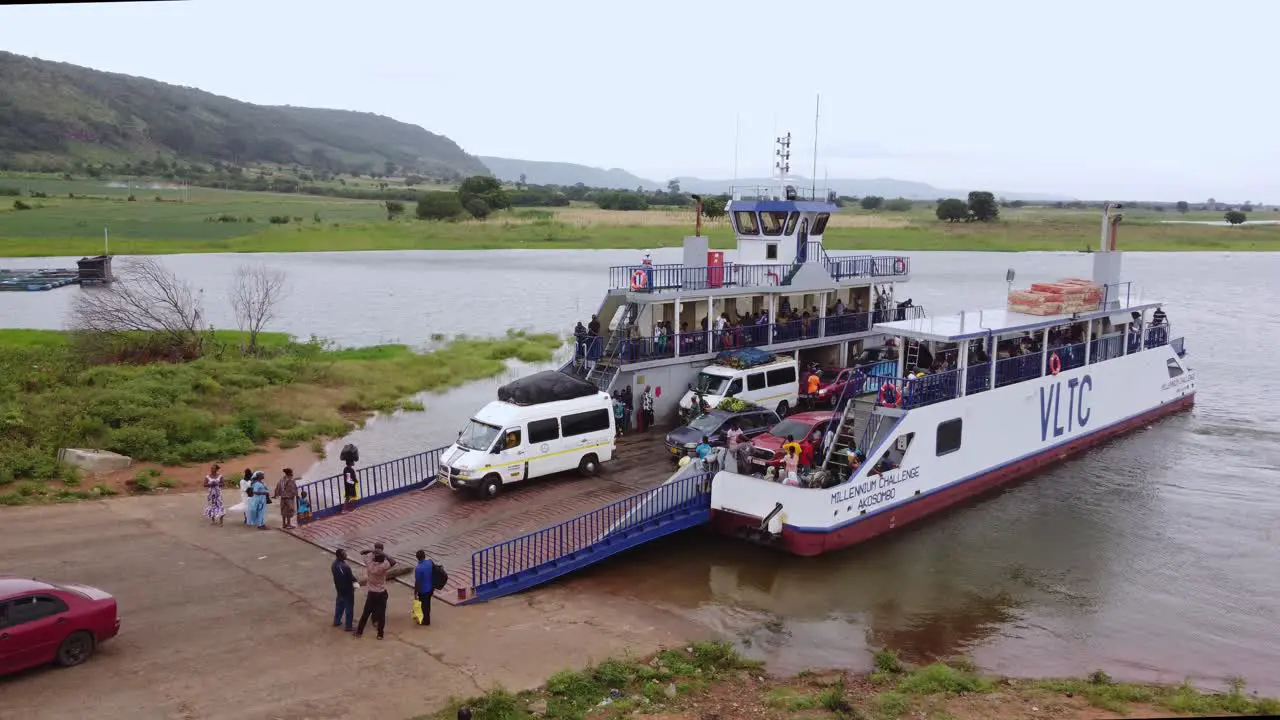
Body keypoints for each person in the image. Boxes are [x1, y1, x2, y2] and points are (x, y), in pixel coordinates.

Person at [355, 546, 396, 639]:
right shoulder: (383, 566)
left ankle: (359, 632)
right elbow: (393, 562)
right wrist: (383, 553)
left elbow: (363, 553)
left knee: (366, 613)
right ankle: (380, 635)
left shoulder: (370, 564)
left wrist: (372, 551)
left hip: (371, 593)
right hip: (381, 593)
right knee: (381, 615)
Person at [332, 549, 356, 632]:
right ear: (340, 556)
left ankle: (336, 621)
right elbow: (351, 578)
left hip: (339, 589)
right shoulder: (346, 567)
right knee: (349, 608)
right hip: (348, 590)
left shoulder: (334, 565)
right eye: (344, 554)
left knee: (339, 605)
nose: (346, 555)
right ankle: (348, 626)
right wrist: (355, 582)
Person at [413, 549, 435, 627]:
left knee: (424, 605)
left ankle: (426, 621)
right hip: (431, 588)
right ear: (424, 556)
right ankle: (427, 618)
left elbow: (418, 582)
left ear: (417, 558)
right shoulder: (430, 562)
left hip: (423, 590)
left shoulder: (418, 568)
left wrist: (415, 592)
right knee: (428, 604)